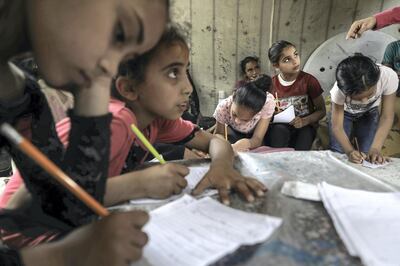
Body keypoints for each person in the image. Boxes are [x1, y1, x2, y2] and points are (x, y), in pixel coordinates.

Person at [0, 0, 167, 264]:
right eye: (119, 34)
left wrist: (94, 88)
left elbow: (68, 207)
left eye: (125, 57)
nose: (110, 69)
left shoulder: (22, 97)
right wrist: (62, 255)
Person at [329, 54, 398, 164]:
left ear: (376, 81)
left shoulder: (388, 76)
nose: (365, 101)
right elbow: (337, 127)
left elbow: (387, 116)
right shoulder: (338, 91)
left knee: (367, 154)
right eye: (358, 98)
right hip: (345, 113)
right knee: (338, 153)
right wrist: (350, 151)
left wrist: (375, 148)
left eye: (370, 95)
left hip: (369, 113)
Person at [265, 40, 326, 150]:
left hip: (305, 126)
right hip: (281, 127)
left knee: (305, 135)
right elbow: (266, 114)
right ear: (276, 65)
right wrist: (274, 114)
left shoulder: (309, 81)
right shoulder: (271, 85)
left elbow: (322, 110)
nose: (295, 61)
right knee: (277, 132)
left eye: (296, 54)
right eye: (287, 59)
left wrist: (305, 121)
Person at [214, 75, 275, 152]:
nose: (237, 121)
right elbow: (219, 133)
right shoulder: (223, 107)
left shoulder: (267, 103)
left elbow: (258, 138)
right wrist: (221, 144)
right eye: (234, 114)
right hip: (233, 131)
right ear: (233, 98)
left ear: (258, 112)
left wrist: (247, 143)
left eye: (245, 120)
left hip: (253, 134)